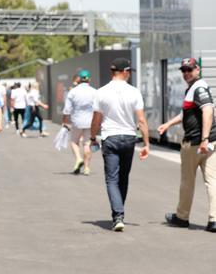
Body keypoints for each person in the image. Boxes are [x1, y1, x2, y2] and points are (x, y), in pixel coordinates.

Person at [90, 57, 150, 232]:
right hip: (129, 138)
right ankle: (119, 215)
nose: (130, 74)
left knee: (111, 179)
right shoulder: (134, 92)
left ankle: (118, 216)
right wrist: (146, 143)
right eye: (129, 71)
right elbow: (141, 120)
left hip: (110, 137)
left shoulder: (101, 92)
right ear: (124, 72)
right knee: (123, 178)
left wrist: (93, 137)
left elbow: (96, 120)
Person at [157, 57, 216, 232]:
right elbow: (187, 114)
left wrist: (204, 139)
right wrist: (168, 124)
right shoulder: (193, 89)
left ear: (197, 69)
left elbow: (207, 111)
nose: (186, 73)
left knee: (188, 182)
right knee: (212, 181)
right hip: (210, 142)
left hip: (196, 144)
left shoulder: (199, 88)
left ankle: (182, 217)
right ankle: (214, 220)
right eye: (183, 70)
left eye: (189, 69)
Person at [62, 69, 97, 175]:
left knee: (74, 141)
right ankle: (86, 168)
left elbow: (67, 109)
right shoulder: (94, 92)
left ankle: (78, 158)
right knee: (87, 143)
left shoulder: (73, 92)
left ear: (79, 79)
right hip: (90, 121)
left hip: (77, 120)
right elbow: (98, 109)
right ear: (89, 79)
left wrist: (65, 122)